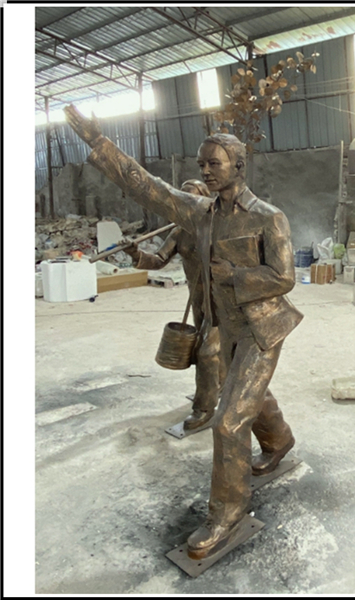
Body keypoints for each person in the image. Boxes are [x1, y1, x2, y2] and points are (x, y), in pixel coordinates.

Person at [64, 105, 302, 559]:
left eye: (214, 163)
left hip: (261, 328)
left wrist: (235, 275)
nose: (206, 171)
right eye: (201, 164)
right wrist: (99, 143)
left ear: (239, 165)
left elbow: (285, 277)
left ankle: (228, 514)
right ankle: (279, 439)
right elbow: (147, 187)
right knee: (248, 394)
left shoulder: (269, 217)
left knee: (228, 422)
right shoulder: (200, 213)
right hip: (224, 325)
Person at [123, 179, 224, 431]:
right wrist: (135, 254)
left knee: (208, 353)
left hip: (222, 301)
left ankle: (204, 409)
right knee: (210, 349)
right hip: (198, 301)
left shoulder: (220, 229)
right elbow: (158, 260)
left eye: (192, 199)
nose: (187, 204)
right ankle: (218, 386)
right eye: (183, 199)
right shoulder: (179, 232)